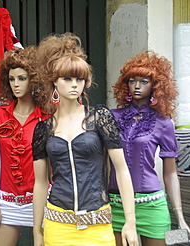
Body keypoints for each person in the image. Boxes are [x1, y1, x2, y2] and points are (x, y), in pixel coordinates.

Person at [31, 33, 138, 246]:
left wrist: (130, 221)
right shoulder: (44, 129)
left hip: (97, 225)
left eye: (79, 79)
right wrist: (37, 230)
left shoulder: (99, 118)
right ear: (54, 81)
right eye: (67, 79)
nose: (75, 85)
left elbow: (122, 169)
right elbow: (40, 183)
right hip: (57, 224)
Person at [110, 51, 189, 246]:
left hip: (152, 205)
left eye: (144, 81)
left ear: (156, 86)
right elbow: (104, 161)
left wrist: (179, 217)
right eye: (132, 81)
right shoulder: (112, 117)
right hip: (115, 204)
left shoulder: (164, 123)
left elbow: (171, 173)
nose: (137, 86)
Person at [0, 47, 50, 246]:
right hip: (7, 202)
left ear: (34, 80)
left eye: (21, 78)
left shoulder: (47, 117)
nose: (16, 85)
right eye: (11, 79)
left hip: (43, 200)